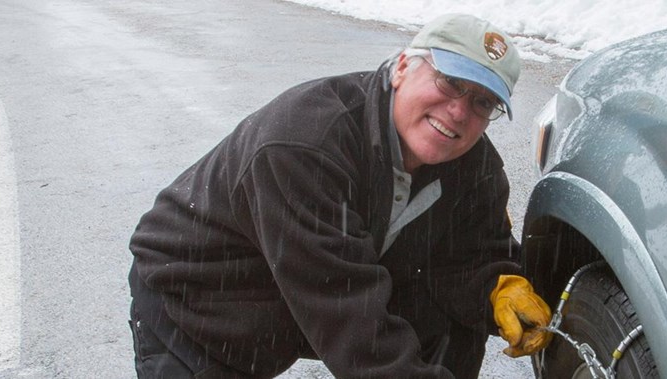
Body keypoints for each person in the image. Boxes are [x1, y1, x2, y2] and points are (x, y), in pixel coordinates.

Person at [127, 13, 551, 378]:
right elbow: (347, 311)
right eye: (449, 82)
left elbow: (473, 250)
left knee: (443, 312)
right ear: (402, 67)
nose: (459, 111)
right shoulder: (304, 145)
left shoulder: (474, 165)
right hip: (201, 302)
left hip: (300, 300)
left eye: (483, 102)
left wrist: (498, 285)